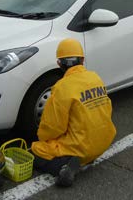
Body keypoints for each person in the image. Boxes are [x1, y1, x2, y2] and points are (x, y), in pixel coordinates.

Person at [31, 38, 116, 187]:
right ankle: (88, 156)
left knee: (36, 150)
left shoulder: (61, 87)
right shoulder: (95, 77)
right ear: (82, 60)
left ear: (59, 63)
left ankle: (62, 167)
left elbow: (53, 127)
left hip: (81, 146)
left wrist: (43, 139)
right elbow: (107, 109)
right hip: (104, 141)